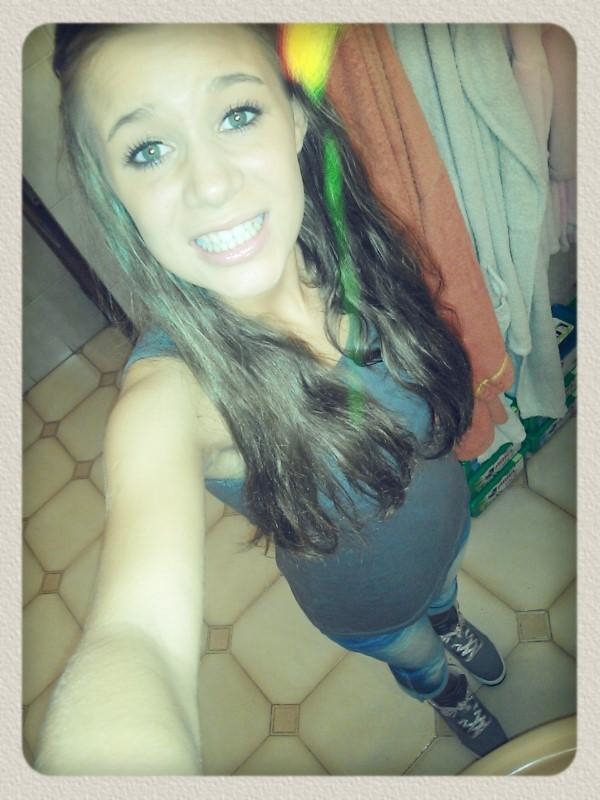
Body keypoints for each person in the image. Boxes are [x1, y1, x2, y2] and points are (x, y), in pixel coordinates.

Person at [35, 23, 508, 775]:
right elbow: (135, 638)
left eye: (237, 114)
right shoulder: (173, 393)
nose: (211, 184)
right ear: (112, 189)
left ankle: (449, 617)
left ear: (293, 118)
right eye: (148, 150)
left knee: (444, 594)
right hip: (369, 604)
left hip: (446, 531)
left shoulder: (351, 247)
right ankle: (444, 689)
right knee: (417, 653)